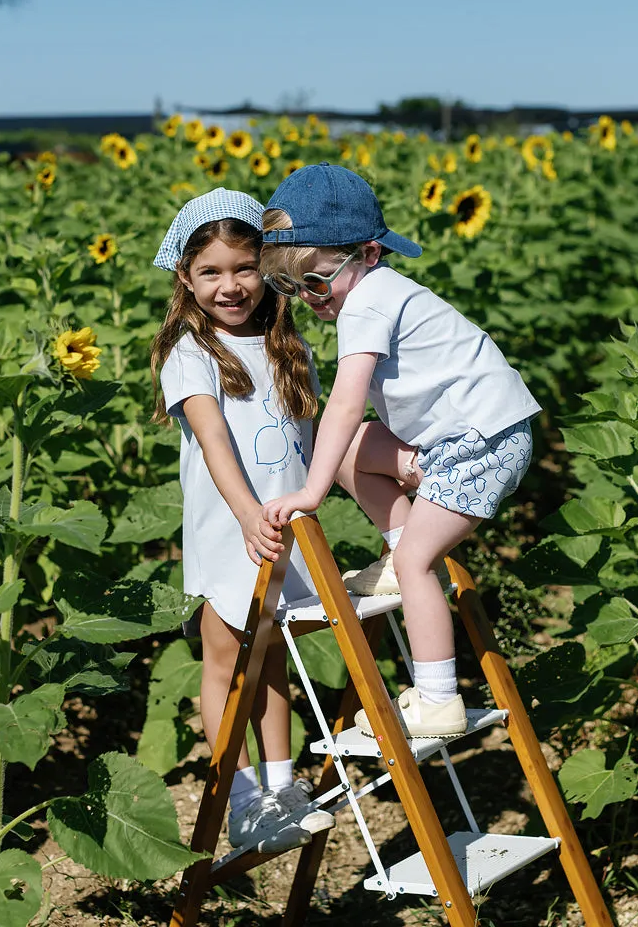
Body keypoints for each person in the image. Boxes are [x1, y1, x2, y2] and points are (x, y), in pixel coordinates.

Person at [258, 164, 541, 741]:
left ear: (365, 254)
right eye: (290, 288)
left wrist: (310, 494)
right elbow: (344, 429)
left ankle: (439, 698)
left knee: (420, 564)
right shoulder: (370, 292)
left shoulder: (369, 303)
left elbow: (343, 401)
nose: (307, 299)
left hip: (481, 442)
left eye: (313, 283)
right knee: (340, 452)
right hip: (460, 439)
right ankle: (395, 551)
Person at [150, 188, 334, 852]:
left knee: (270, 655)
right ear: (186, 277)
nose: (230, 286)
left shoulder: (289, 348)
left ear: (268, 266)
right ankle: (241, 792)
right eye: (212, 272)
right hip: (235, 528)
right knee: (228, 657)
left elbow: (312, 443)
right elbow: (217, 445)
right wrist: (250, 514)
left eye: (244, 267)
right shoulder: (192, 357)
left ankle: (282, 785)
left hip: (286, 530)